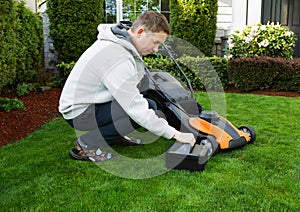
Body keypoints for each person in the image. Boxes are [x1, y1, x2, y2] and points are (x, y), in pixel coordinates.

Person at [59, 11, 196, 162]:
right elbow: (135, 107)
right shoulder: (115, 56)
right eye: (155, 42)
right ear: (140, 32)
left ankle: (115, 136)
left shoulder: (121, 44)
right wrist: (176, 134)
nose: (156, 49)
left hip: (93, 102)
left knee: (150, 103)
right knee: (139, 113)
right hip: (79, 112)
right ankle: (87, 144)